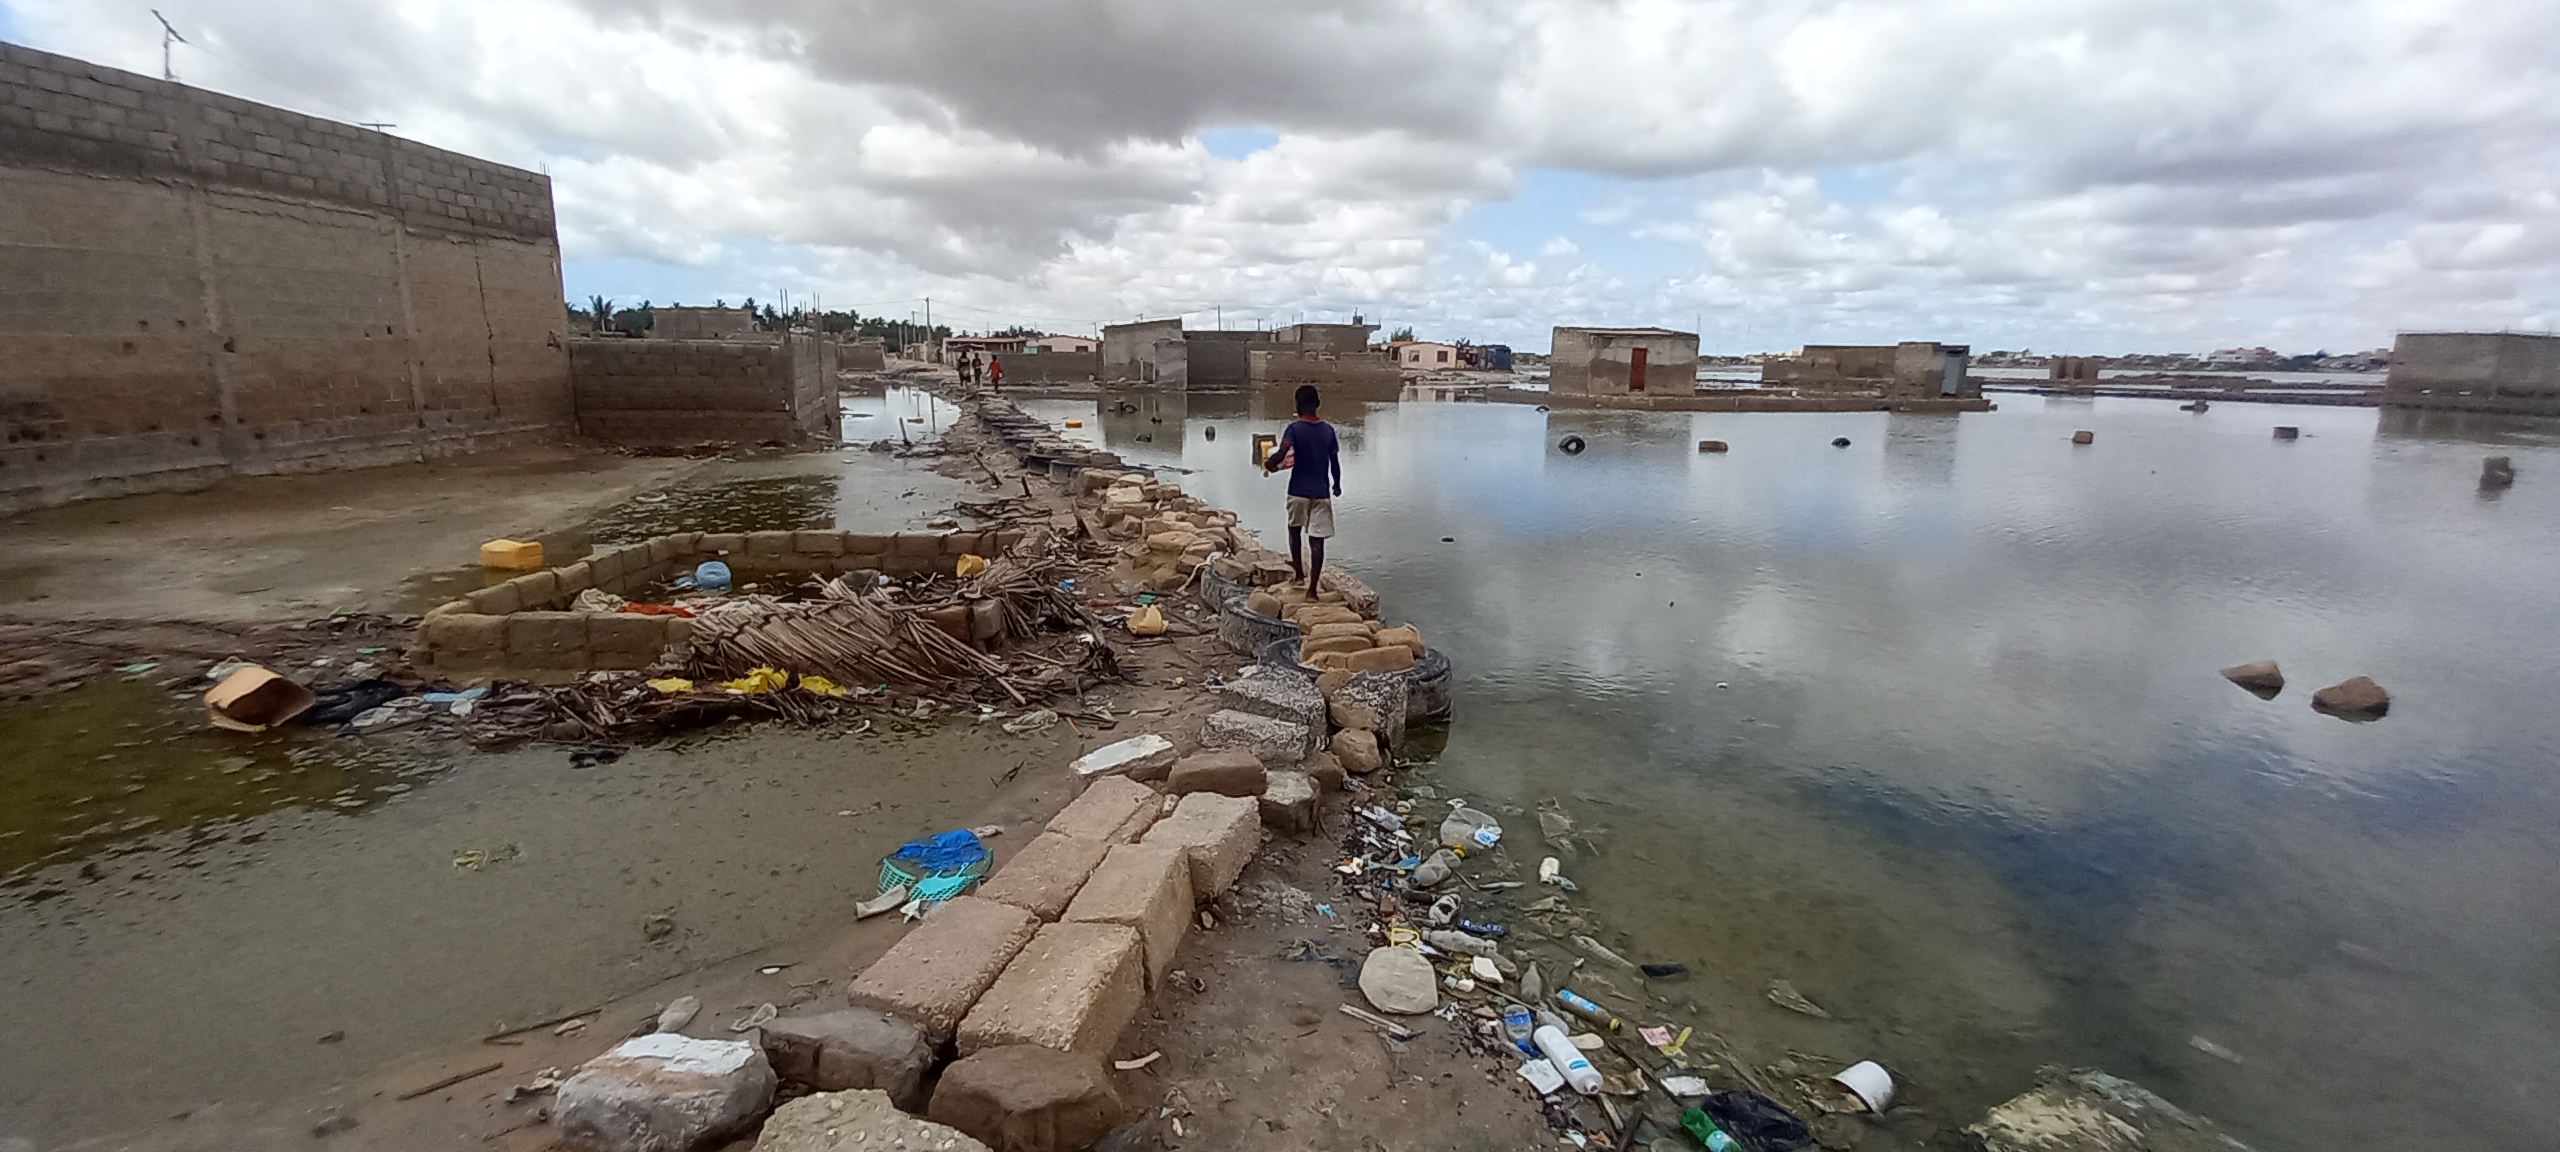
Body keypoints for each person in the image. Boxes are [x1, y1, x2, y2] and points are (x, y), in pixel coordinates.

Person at [1262, 384, 1340, 595]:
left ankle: (1298, 574)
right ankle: (1312, 589)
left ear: (1297, 405)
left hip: (1298, 491)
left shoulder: (1294, 429)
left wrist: (1270, 464)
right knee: (1317, 541)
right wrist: (1337, 484)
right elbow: (1334, 461)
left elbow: (1284, 451)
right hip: (1321, 493)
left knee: (1294, 530)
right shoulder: (1328, 431)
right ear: (1318, 405)